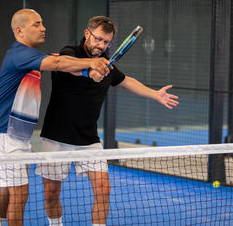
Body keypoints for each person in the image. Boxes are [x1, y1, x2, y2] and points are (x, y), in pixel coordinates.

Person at [36, 16, 179, 226]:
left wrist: (155, 94)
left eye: (106, 42)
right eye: (98, 39)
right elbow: (65, 65)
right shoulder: (69, 52)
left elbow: (126, 81)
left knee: (103, 188)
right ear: (87, 34)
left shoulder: (107, 65)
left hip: (88, 138)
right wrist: (89, 71)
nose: (101, 45)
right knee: (51, 192)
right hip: (56, 135)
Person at [0, 9, 110, 226]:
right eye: (36, 24)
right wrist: (90, 63)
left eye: (42, 23)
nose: (43, 28)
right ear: (20, 30)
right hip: (6, 133)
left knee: (8, 187)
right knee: (19, 193)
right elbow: (59, 64)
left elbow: (61, 63)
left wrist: (86, 72)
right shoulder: (20, 55)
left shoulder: (32, 57)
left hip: (18, 134)